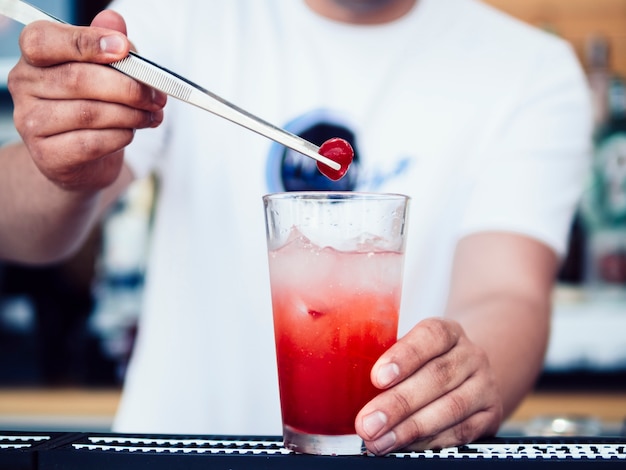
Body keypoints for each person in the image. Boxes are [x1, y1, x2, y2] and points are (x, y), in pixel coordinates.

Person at [0, 0, 591, 455]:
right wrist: (60, 165)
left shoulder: (531, 70)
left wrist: (464, 379)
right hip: (174, 456)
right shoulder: (178, 15)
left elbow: (507, 290)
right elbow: (26, 235)